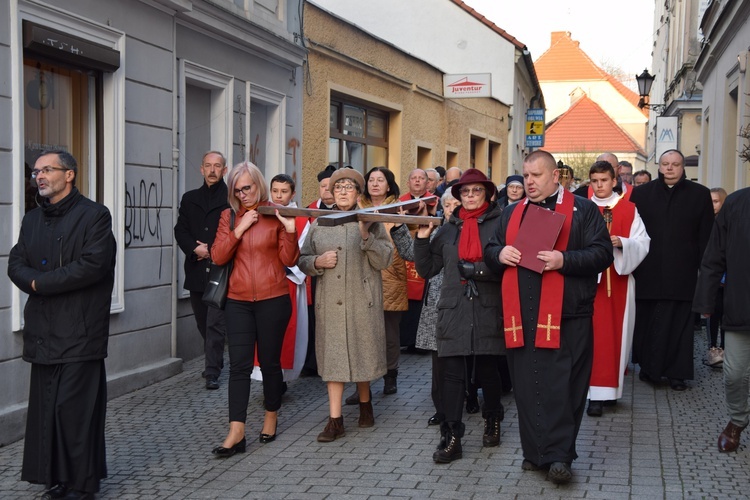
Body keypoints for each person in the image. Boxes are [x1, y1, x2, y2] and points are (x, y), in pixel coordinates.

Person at [485, 150, 612, 484]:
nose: (529, 182)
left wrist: (563, 260)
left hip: (568, 315)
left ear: (555, 176)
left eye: (536, 175)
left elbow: (602, 253)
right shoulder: (510, 212)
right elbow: (490, 248)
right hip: (523, 316)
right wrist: (499, 253)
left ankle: (560, 456)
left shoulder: (583, 209)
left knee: (564, 388)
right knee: (528, 387)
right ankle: (535, 452)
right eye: (525, 176)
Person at [8, 150, 117, 499]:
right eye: (36, 171)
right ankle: (55, 478)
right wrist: (33, 281)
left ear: (69, 174)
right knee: (47, 410)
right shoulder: (32, 220)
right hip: (43, 332)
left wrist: (41, 284)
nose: (38, 176)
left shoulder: (95, 216)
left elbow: (92, 266)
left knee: (75, 412)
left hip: (80, 331)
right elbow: (16, 262)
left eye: (47, 170)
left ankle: (82, 485)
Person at [414, 168, 506, 463]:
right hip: (453, 309)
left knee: (489, 371)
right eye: (464, 192)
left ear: (487, 194)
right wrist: (422, 238)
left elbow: (507, 265)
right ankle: (452, 436)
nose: (469, 196)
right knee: (452, 375)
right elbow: (427, 269)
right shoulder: (450, 229)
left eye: (476, 191)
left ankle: (492, 419)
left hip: (488, 308)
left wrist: (477, 271)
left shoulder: (499, 224)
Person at [209, 162, 299, 456]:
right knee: (239, 366)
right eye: (236, 189)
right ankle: (236, 431)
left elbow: (289, 260)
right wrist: (239, 228)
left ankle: (271, 416)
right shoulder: (228, 216)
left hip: (273, 299)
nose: (242, 194)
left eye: (246, 188)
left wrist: (289, 230)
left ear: (258, 185)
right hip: (237, 300)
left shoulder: (275, 213)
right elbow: (218, 256)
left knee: (270, 363)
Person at [298, 167, 393, 442]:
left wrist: (366, 237)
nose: (342, 192)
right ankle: (335, 420)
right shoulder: (319, 223)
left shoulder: (371, 220)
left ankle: (366, 404)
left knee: (361, 354)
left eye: (348, 188)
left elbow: (384, 260)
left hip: (361, 301)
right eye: (337, 188)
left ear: (358, 194)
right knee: (334, 359)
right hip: (330, 302)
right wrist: (317, 262)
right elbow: (303, 258)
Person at [629, 149, 714, 391]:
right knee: (647, 323)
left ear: (683, 166)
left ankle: (678, 374)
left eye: (675, 164)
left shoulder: (700, 195)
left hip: (683, 274)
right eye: (665, 164)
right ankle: (649, 368)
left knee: (680, 327)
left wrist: (704, 274)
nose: (669, 168)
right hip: (648, 272)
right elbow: (633, 233)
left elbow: (705, 238)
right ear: (659, 165)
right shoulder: (641, 194)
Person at [584, 161, 650, 417]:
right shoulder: (581, 207)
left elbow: (643, 242)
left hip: (617, 281)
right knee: (590, 337)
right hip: (587, 281)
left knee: (614, 337)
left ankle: (609, 391)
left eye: (604, 180)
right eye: (594, 181)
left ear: (614, 181)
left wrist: (621, 242)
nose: (599, 185)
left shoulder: (628, 209)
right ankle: (592, 394)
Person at [392, 190, 462, 426]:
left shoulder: (472, 229)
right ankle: (441, 408)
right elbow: (412, 254)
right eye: (448, 204)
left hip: (464, 302)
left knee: (464, 359)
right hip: (437, 303)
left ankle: (468, 399)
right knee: (438, 360)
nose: (451, 208)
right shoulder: (438, 230)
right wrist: (399, 227)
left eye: (456, 203)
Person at [693, 187, 750, 453]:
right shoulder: (737, 203)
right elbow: (714, 255)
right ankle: (738, 419)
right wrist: (706, 301)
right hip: (741, 305)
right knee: (734, 374)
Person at [346, 166, 406, 399]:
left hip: (391, 273)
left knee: (389, 333)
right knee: (363, 333)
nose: (375, 184)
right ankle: (363, 386)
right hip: (361, 275)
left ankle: (391, 375)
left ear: (388, 185)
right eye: (371, 179)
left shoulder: (398, 208)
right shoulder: (355, 207)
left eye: (380, 180)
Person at [174, 151, 229, 390]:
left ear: (224, 170)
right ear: (201, 169)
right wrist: (194, 248)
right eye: (208, 165)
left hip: (221, 269)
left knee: (214, 323)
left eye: (217, 166)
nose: (213, 170)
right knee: (202, 321)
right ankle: (215, 357)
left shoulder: (232, 198)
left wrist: (216, 250)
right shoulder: (189, 198)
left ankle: (212, 372)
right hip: (197, 268)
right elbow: (180, 230)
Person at [249, 174, 309, 382]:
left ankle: (280, 380)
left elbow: (303, 251)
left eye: (284, 192)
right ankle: (267, 378)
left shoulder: (301, 218)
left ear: (293, 194)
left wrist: (281, 270)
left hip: (288, 282)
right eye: (275, 191)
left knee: (286, 333)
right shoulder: (262, 214)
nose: (279, 196)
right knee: (263, 334)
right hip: (262, 283)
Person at [300, 165, 338, 377]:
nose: (326, 190)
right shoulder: (309, 210)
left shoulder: (347, 211)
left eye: (330, 186)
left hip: (336, 269)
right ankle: (311, 361)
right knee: (313, 317)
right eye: (323, 186)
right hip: (313, 269)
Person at [399, 168, 435, 351]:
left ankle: (418, 342)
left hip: (424, 251)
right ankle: (405, 338)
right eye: (414, 178)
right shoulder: (400, 203)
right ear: (408, 182)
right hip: (404, 254)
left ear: (427, 183)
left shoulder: (434, 202)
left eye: (421, 178)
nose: (418, 181)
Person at [705, 187, 729, 367]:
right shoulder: (706, 223)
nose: (712, 205)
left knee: (726, 315)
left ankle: (724, 349)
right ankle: (713, 349)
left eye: (715, 201)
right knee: (712, 314)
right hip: (712, 278)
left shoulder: (728, 222)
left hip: (727, 278)